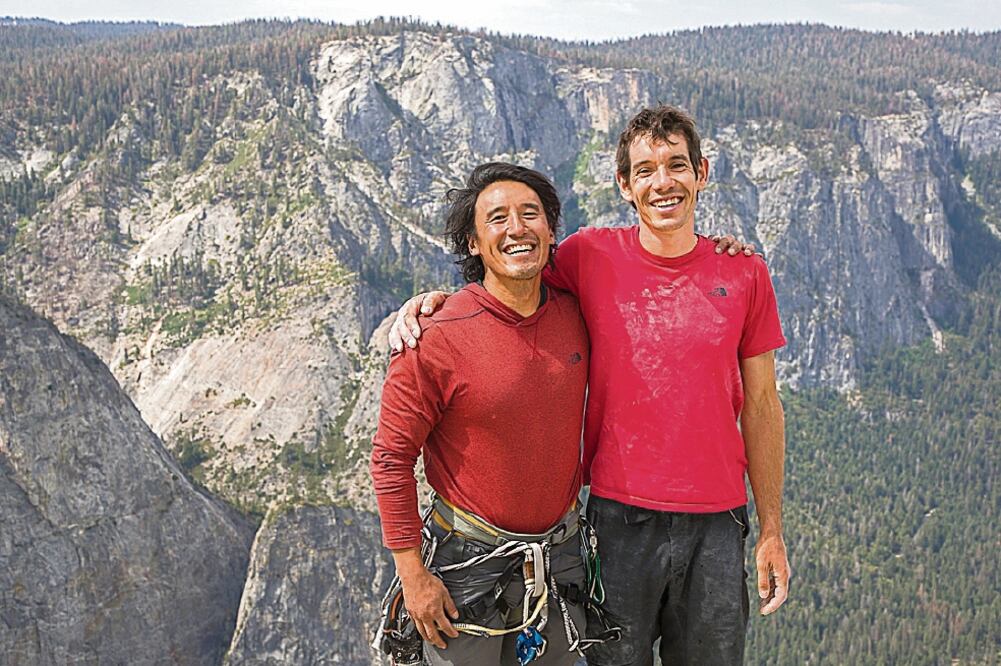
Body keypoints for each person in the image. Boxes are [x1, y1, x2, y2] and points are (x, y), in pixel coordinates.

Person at [388, 104, 789, 666]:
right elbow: (510, 275)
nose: (663, 182)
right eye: (645, 170)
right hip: (615, 522)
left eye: (677, 165)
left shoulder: (745, 273)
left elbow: (764, 406)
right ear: (624, 184)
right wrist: (434, 305)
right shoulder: (589, 255)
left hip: (718, 527)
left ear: (702, 173)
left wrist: (771, 529)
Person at [371, 162, 595, 666]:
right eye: (497, 219)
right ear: (473, 243)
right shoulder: (435, 337)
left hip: (560, 563)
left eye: (530, 214)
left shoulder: (577, 313)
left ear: (551, 231)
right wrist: (413, 576)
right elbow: (390, 458)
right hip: (465, 571)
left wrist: (721, 253)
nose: (516, 228)